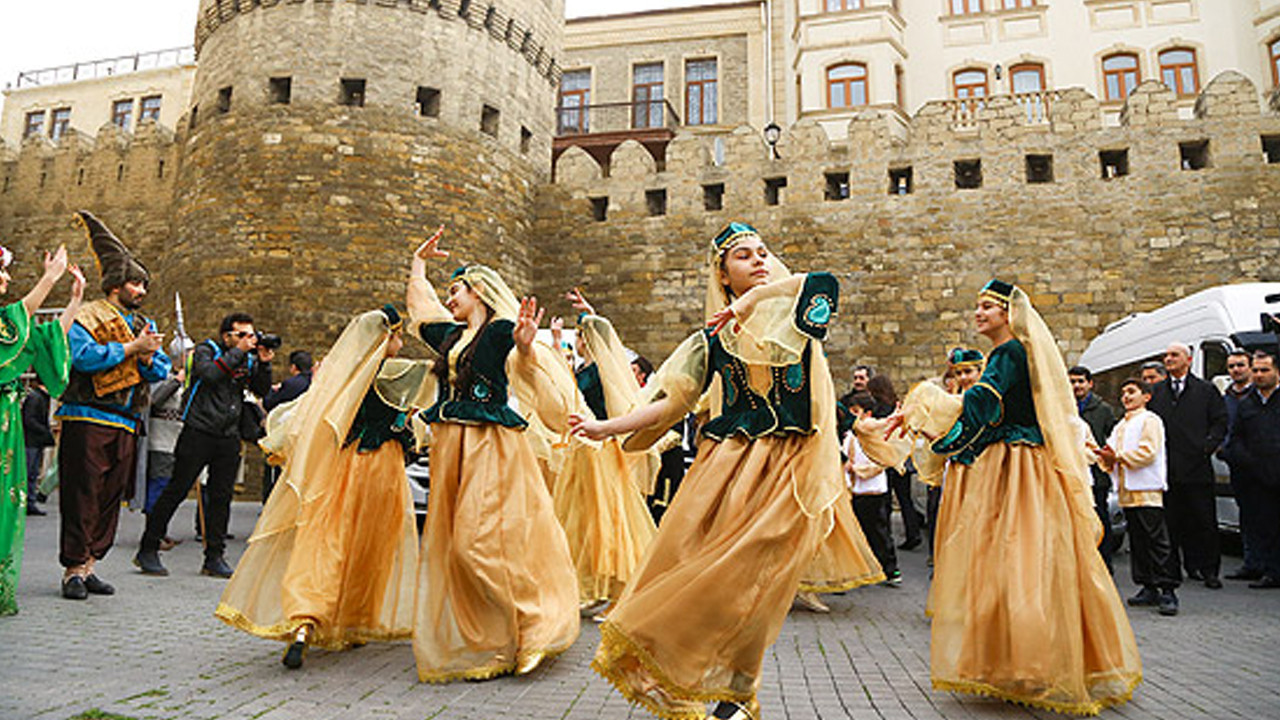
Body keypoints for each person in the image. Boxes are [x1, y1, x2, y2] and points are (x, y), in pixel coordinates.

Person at [570, 222, 845, 720]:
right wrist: (606, 426)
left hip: (787, 468)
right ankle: (724, 691)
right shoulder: (711, 339)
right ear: (722, 273)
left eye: (764, 251)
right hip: (727, 468)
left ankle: (737, 691)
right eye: (744, 256)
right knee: (710, 578)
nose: (759, 261)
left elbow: (822, 281)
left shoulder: (800, 317)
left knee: (752, 583)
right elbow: (670, 403)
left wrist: (754, 301)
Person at [889, 279, 1141, 715]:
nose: (979, 313)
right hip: (1023, 461)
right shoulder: (1014, 354)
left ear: (1009, 314)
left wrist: (933, 426)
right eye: (977, 306)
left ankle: (1029, 663)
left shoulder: (1007, 353)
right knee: (1034, 559)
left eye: (988, 307)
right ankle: (1036, 661)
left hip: (1014, 465)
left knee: (1014, 558)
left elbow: (981, 411)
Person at [407, 227, 579, 682]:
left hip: (491, 445)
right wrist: (418, 263)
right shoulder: (451, 336)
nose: (449, 300)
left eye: (456, 291)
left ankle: (536, 624)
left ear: (478, 291)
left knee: (475, 541)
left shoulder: (503, 329)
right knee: (455, 545)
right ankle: (498, 636)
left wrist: (525, 347)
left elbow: (525, 368)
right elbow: (420, 310)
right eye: (448, 293)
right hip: (452, 448)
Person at [216, 305, 427, 668]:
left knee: (327, 540)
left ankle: (305, 620)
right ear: (384, 338)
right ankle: (354, 620)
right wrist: (409, 433)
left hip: (343, 467)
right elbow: (405, 431)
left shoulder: (340, 377)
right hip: (384, 470)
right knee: (368, 545)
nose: (401, 341)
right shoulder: (398, 376)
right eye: (397, 334)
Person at [57, 211, 169, 601]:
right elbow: (82, 359)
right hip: (86, 416)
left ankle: (90, 567)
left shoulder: (143, 324)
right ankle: (72, 568)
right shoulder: (87, 316)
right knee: (82, 493)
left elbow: (162, 370)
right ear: (116, 285)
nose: (141, 290)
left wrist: (147, 357)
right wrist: (131, 349)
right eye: (135, 283)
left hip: (125, 421)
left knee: (109, 497)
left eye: (143, 284)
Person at [135, 312, 273, 578]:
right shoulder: (204, 351)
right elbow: (210, 375)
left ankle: (214, 557)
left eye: (251, 335)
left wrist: (264, 364)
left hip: (228, 434)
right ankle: (148, 548)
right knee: (177, 489)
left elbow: (261, 390)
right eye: (242, 335)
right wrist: (240, 353)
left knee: (221, 497)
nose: (248, 340)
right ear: (226, 336)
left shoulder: (247, 358)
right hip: (199, 431)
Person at [553, 288, 658, 616]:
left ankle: (620, 592)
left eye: (581, 334)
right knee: (585, 519)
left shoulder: (601, 370)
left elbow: (611, 390)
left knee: (608, 518)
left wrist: (592, 316)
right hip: (582, 449)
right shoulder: (586, 369)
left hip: (599, 448)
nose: (578, 339)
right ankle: (589, 586)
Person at [0, 243, 80, 614]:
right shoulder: (6, 322)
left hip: (8, 425)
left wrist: (74, 300)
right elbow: (20, 319)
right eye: (2, 271)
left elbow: (45, 340)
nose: (7, 278)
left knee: (6, 500)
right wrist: (50, 277)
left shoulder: (10, 323)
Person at [1147, 342, 1227, 590]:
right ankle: (1171, 573)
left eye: (1174, 355)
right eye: (1166, 354)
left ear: (1189, 360)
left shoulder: (1205, 390)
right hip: (1167, 471)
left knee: (1204, 522)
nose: (1168, 359)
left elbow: (1220, 420)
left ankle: (1209, 570)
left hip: (1197, 468)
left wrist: (1208, 445)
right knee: (1170, 524)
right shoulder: (1157, 392)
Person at [1097, 378, 1179, 616]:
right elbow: (1109, 451)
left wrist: (1118, 457)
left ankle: (1168, 588)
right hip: (1127, 490)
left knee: (1156, 540)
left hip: (1146, 488)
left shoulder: (1150, 420)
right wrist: (1101, 456)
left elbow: (1148, 452)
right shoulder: (1121, 424)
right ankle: (1148, 585)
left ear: (1146, 396)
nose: (1126, 397)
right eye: (1123, 392)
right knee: (1139, 542)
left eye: (1132, 392)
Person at [1224, 351, 1280, 589]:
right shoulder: (1248, 403)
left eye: (1264, 370)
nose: (1258, 375)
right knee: (1259, 524)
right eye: (1256, 370)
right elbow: (1235, 439)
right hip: (1254, 476)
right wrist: (1248, 461)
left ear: (1277, 372)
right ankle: (1261, 567)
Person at [844, 392, 898, 586]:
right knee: (858, 532)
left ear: (867, 414)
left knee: (879, 531)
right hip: (856, 490)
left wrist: (858, 470)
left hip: (874, 490)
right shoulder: (851, 435)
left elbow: (881, 463)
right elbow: (846, 457)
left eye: (856, 411)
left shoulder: (877, 435)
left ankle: (890, 568)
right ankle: (862, 570)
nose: (853, 415)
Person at [1070, 365, 1120, 571]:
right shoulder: (1063, 407)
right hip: (1073, 474)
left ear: (1090, 384)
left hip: (1097, 476)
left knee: (1100, 519)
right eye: (1072, 382)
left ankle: (1104, 563)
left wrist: (1104, 457)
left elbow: (1114, 437)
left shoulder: (1103, 409)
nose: (1076, 386)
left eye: (1081, 381)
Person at [868, 373, 922, 551]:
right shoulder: (897, 405)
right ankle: (913, 534)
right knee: (905, 499)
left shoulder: (876, 409)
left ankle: (886, 538)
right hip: (902, 459)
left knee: (886, 502)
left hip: (886, 458)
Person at [1221, 349, 1261, 580]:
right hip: (1238, 465)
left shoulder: (1258, 396)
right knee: (1246, 516)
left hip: (1263, 465)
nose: (1236, 370)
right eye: (1232, 366)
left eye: (1240, 365)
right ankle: (1251, 562)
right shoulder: (1226, 398)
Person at [260, 350, 313, 500]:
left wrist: (273, 391)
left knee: (276, 475)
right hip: (307, 437)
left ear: (293, 367)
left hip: (286, 436)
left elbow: (269, 403)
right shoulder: (316, 383)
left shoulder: (291, 384)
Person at [22, 379, 55, 517]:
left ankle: (29, 501)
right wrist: (45, 431)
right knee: (30, 472)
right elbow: (29, 420)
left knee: (32, 472)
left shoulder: (37, 397)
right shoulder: (36, 398)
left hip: (33, 440)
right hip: (32, 441)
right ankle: (28, 502)